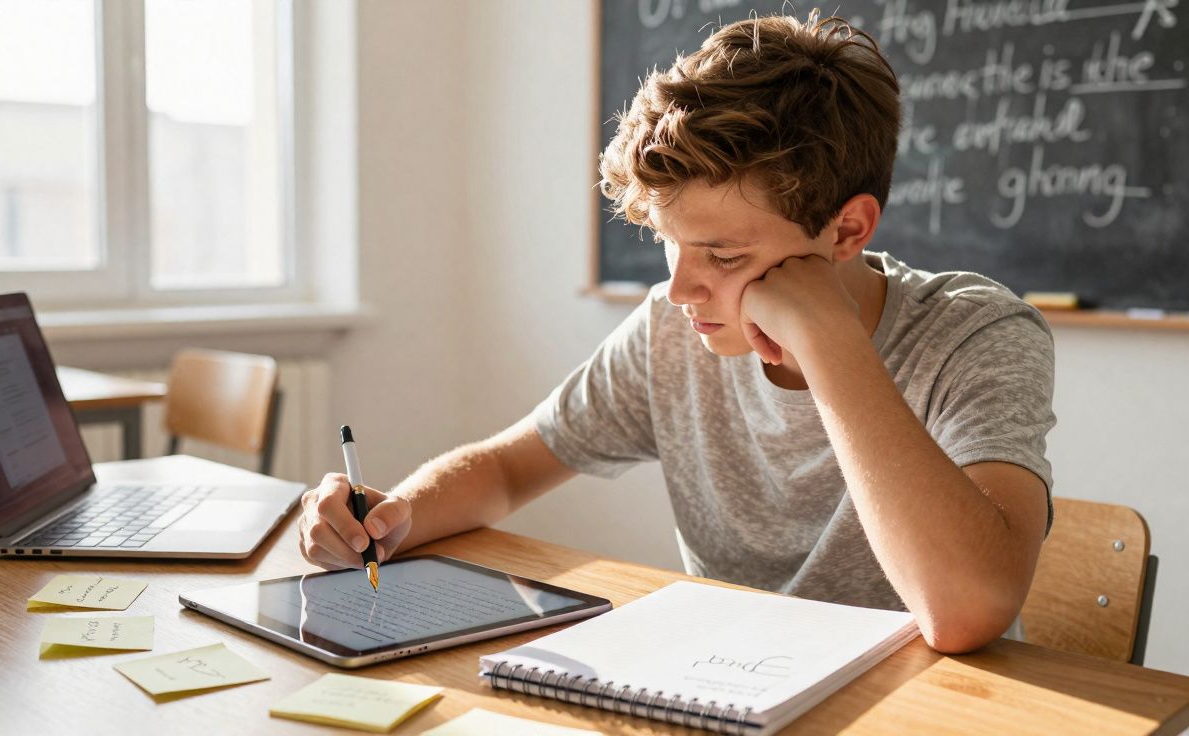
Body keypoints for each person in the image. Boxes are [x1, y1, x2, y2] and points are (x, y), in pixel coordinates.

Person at [297, 11, 1055, 653]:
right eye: (671, 243)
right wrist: (390, 517)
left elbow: (965, 611)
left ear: (847, 228)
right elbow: (506, 470)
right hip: (733, 688)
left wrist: (828, 343)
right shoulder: (672, 329)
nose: (682, 289)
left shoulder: (975, 334)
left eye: (724, 255)